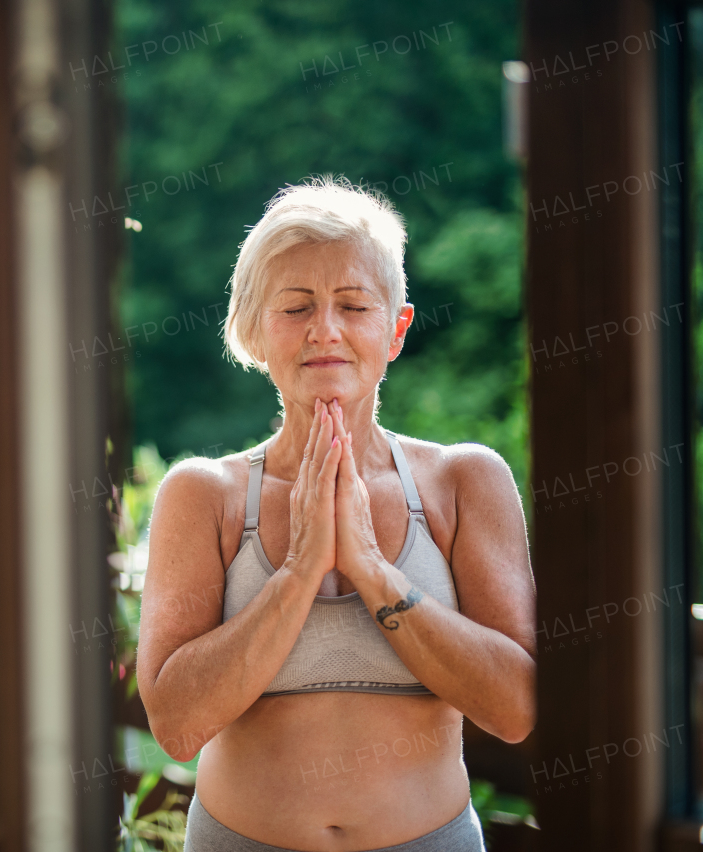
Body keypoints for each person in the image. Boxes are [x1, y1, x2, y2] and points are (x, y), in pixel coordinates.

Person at [136, 177, 536, 851]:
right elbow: (177, 725)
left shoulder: (465, 482)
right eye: (296, 308)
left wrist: (373, 570)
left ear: (395, 329)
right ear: (257, 333)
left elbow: (515, 707)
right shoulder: (203, 494)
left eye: (353, 305)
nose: (326, 330)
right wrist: (296, 572)